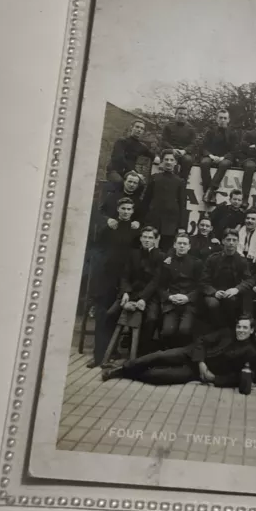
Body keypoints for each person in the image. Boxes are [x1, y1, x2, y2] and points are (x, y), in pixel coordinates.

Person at [101, 317, 256, 388]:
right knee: (159, 356)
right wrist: (201, 362)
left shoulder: (250, 352)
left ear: (251, 330)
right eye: (239, 326)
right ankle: (120, 370)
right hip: (190, 354)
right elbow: (202, 341)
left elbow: (238, 377)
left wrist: (215, 379)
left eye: (245, 328)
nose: (241, 330)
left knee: (158, 377)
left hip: (196, 373)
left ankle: (129, 373)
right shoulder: (226, 333)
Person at [88, 197, 139, 368]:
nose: (126, 212)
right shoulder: (109, 228)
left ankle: (112, 352)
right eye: (123, 208)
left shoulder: (135, 232)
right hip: (107, 277)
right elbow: (98, 251)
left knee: (116, 315)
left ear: (133, 211)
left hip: (124, 279)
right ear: (118, 210)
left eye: (129, 209)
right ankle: (98, 355)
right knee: (103, 315)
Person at [119, 226, 166, 357]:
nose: (147, 240)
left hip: (150, 295)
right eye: (144, 237)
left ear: (156, 240)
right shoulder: (133, 253)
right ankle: (119, 347)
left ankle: (141, 353)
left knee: (151, 318)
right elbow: (125, 275)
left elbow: (156, 281)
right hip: (132, 292)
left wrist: (143, 298)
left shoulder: (161, 256)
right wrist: (126, 292)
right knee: (111, 313)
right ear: (140, 238)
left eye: (150, 237)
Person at [201, 228, 253, 326]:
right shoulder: (213, 259)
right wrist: (214, 292)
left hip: (232, 293)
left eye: (234, 240)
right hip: (213, 292)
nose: (231, 243)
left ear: (238, 242)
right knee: (213, 304)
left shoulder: (242, 261)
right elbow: (203, 281)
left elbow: (249, 280)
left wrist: (236, 289)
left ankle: (229, 328)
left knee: (231, 301)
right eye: (228, 240)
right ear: (223, 241)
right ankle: (215, 328)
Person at [157, 233, 202, 347]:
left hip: (189, 303)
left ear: (189, 247)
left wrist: (188, 297)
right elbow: (160, 286)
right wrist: (169, 297)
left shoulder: (197, 263)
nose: (182, 246)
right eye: (179, 243)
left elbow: (201, 286)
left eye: (184, 244)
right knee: (167, 331)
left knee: (185, 330)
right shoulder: (167, 263)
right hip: (172, 303)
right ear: (174, 245)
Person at [139, 149, 188, 251]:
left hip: (170, 222)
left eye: (171, 160)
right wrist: (140, 220)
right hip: (153, 220)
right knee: (147, 248)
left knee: (166, 250)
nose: (168, 162)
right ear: (162, 161)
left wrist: (182, 226)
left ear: (175, 162)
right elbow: (146, 200)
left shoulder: (180, 181)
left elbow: (183, 205)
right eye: (166, 159)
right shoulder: (154, 178)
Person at [200, 109, 240, 204]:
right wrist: (211, 156)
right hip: (211, 156)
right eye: (220, 118)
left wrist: (223, 157)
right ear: (217, 119)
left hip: (226, 158)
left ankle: (210, 190)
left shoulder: (233, 134)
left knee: (224, 164)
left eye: (225, 118)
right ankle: (209, 193)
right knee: (204, 163)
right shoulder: (210, 132)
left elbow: (234, 150)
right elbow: (203, 147)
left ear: (228, 120)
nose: (223, 120)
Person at [105, 119, 154, 186]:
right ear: (131, 127)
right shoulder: (122, 141)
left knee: (142, 184)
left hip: (130, 172)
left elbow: (152, 155)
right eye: (137, 127)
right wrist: (133, 172)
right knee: (119, 183)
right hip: (115, 171)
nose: (139, 130)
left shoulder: (142, 146)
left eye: (142, 128)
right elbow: (118, 158)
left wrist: (157, 158)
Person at [160, 106, 197, 183]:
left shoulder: (191, 129)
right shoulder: (168, 126)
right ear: (175, 114)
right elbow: (163, 141)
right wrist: (172, 149)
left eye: (185, 114)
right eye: (180, 114)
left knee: (188, 160)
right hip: (170, 151)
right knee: (170, 160)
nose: (182, 116)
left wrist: (184, 151)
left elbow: (193, 144)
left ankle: (182, 182)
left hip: (184, 153)